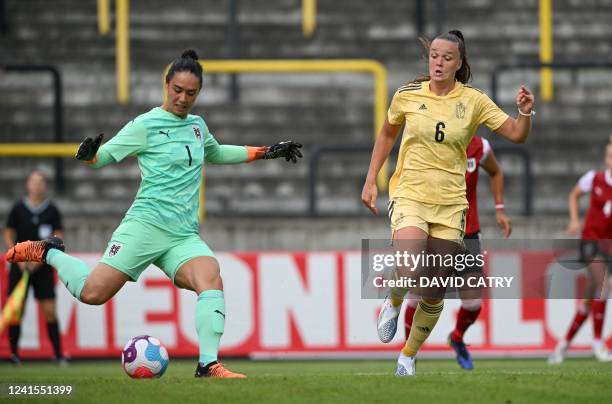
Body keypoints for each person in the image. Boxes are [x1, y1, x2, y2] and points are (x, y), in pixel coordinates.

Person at [6, 50, 303, 378]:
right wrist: (88, 154)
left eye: (191, 93)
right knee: (92, 293)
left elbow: (216, 153)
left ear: (198, 93)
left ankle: (208, 364)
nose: (182, 98)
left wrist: (263, 152)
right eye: (177, 90)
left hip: (182, 235)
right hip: (145, 226)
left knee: (211, 277)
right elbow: (101, 159)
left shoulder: (197, 126)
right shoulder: (145, 125)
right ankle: (49, 252)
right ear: (166, 85)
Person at [361, 30, 534, 376]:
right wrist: (370, 180)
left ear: (459, 64)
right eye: (434, 55)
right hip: (410, 193)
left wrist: (526, 113)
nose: (438, 62)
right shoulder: (408, 95)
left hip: (451, 204)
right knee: (409, 261)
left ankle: (407, 357)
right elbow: (387, 134)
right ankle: (392, 301)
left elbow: (516, 134)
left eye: (447, 57)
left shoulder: (473, 101)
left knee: (434, 289)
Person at [402, 135, 512, 370]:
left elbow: (496, 172)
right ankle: (408, 355)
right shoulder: (432, 138)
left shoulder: (479, 146)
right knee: (419, 294)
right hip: (435, 229)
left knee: (473, 303)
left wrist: (500, 209)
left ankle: (458, 337)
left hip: (467, 232)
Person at [548, 141, 612, 364]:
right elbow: (574, 195)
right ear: (606, 158)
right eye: (610, 156)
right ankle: (597, 344)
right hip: (591, 242)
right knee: (603, 285)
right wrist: (575, 220)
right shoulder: (593, 179)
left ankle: (563, 345)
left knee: (589, 300)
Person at [3, 170, 66, 365]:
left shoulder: (52, 210)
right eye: (33, 182)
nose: (37, 186)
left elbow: (59, 235)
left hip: (43, 266)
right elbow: (8, 233)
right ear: (27, 185)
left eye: (40, 182)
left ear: (44, 186)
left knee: (49, 310)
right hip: (19, 267)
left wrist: (41, 257)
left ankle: (58, 355)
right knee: (16, 310)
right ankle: (14, 354)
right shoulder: (18, 208)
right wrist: (18, 257)